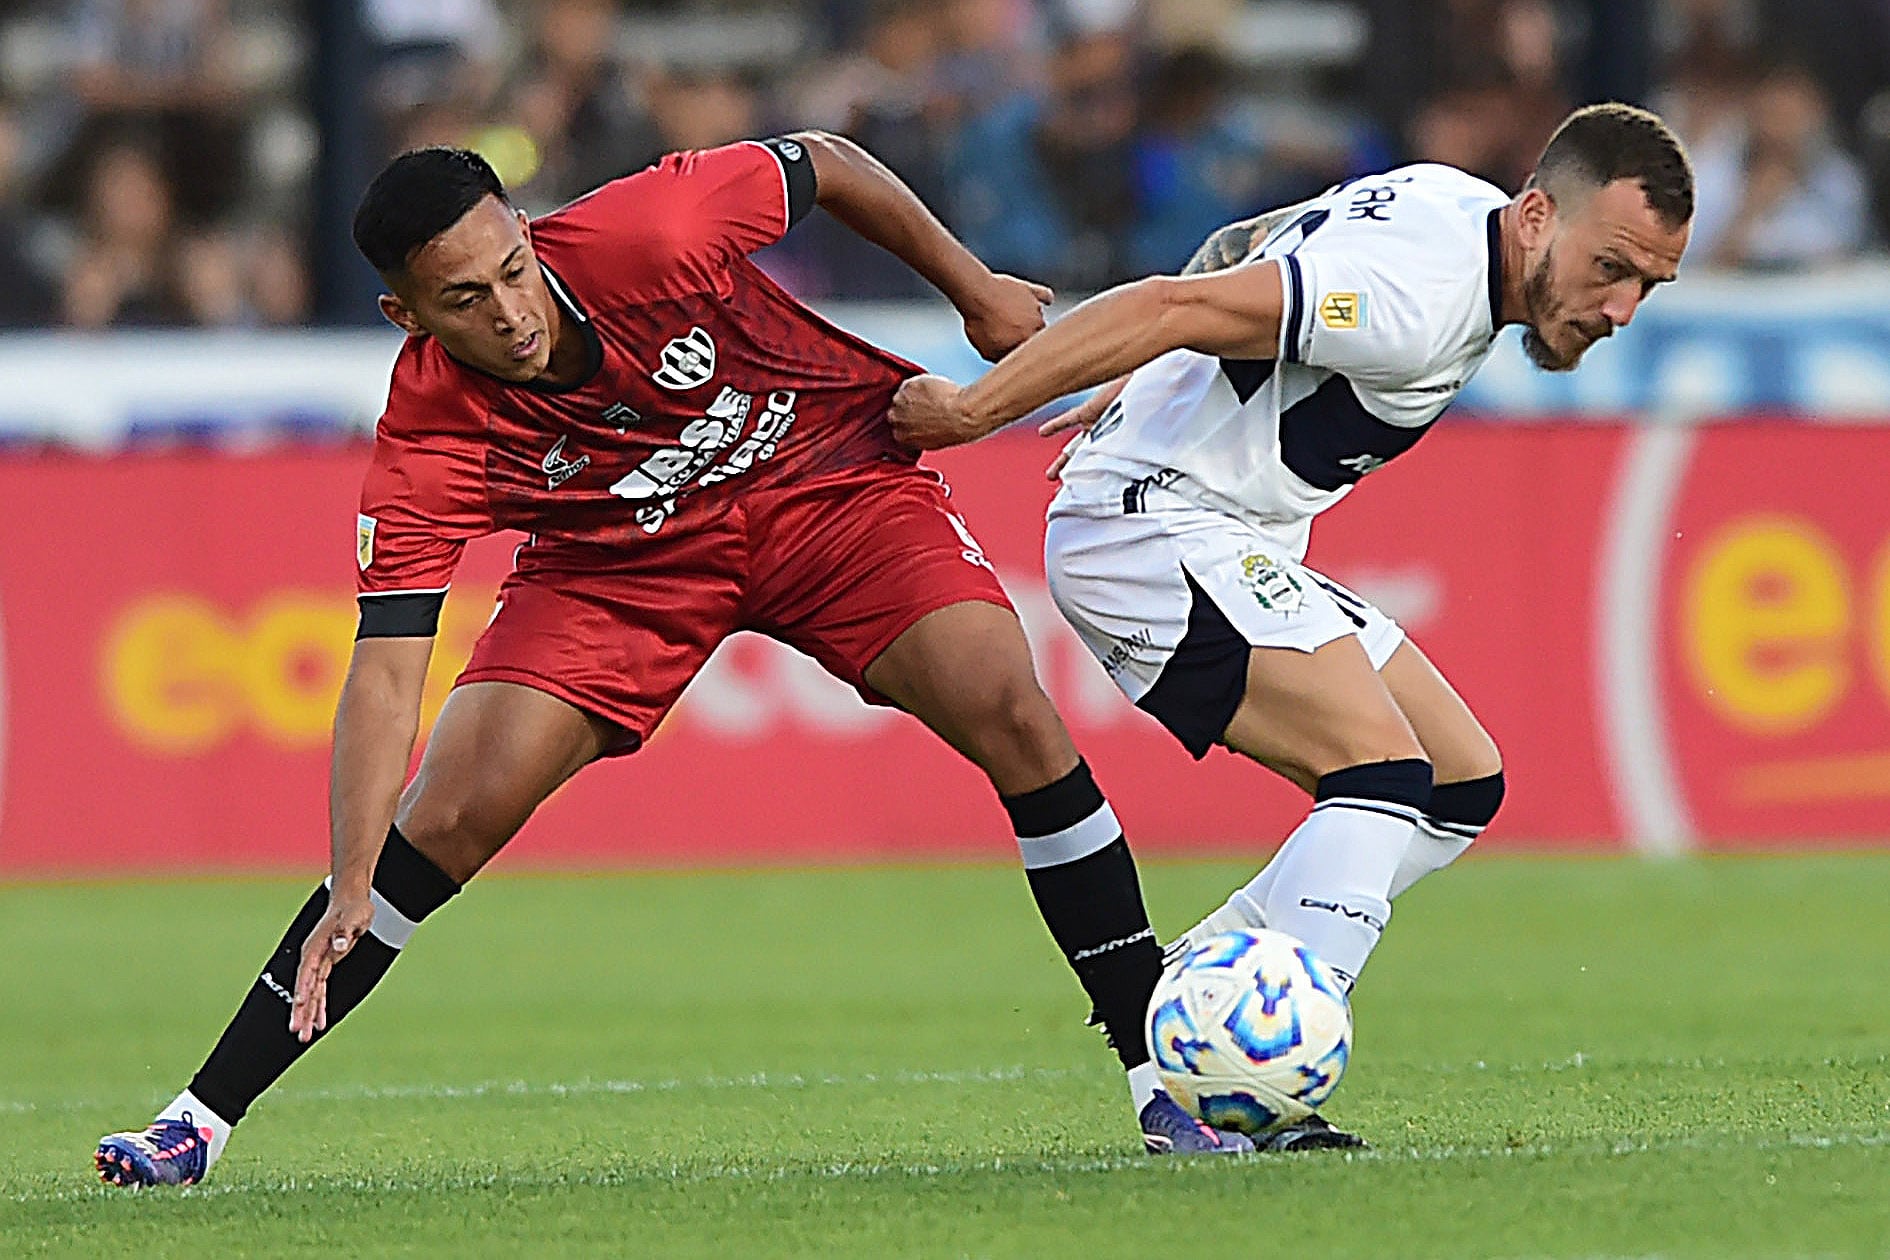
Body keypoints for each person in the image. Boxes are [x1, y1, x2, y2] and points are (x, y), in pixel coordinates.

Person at [93, 131, 1243, 1187]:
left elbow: (832, 163)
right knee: (439, 820)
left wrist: (976, 289)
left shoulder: (651, 231)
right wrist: (349, 870)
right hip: (616, 570)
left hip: (823, 481)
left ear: (528, 234)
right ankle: (198, 1122)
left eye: (512, 268)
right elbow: (389, 668)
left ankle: (1159, 1076)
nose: (510, 312)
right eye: (464, 298)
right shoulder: (427, 438)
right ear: (406, 317)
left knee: (1013, 711)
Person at [890, 103, 1695, 1141]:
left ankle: (1190, 993)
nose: (1621, 306)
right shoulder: (1417, 299)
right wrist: (973, 412)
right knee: (1381, 773)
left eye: (1649, 286)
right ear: (1538, 215)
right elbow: (1175, 297)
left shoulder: (1454, 200)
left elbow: (1249, 247)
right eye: (1613, 266)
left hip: (1231, 533)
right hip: (1154, 530)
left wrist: (1161, 371)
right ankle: (1268, 1088)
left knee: (1458, 781)